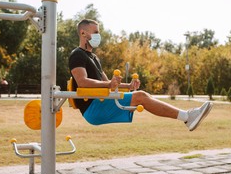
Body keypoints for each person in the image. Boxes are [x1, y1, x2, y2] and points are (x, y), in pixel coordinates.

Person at [69, 19, 212, 131]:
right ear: (83, 33)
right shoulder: (77, 55)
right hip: (93, 108)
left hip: (100, 102)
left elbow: (110, 84)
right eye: (95, 32)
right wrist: (109, 84)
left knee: (144, 96)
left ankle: (188, 117)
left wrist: (128, 86)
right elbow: (82, 82)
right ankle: (188, 117)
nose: (98, 36)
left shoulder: (94, 58)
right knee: (141, 96)